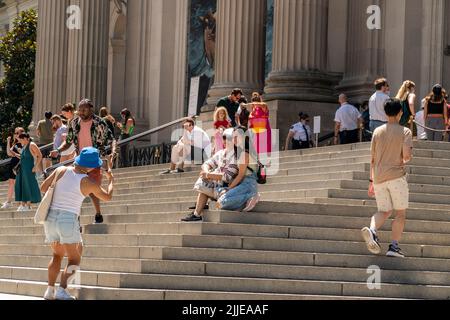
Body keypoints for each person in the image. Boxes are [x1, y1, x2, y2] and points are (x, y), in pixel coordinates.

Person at [41, 147, 114, 300]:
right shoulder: (87, 182)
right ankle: (62, 291)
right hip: (67, 219)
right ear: (92, 166)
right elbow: (107, 197)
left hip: (50, 218)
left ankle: (49, 291)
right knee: (74, 259)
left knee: (56, 255)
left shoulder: (61, 170)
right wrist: (111, 179)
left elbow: (43, 188)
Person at [50, 99, 117, 224]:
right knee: (75, 189)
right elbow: (68, 141)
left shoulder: (99, 123)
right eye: (79, 110)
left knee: (93, 189)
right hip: (80, 160)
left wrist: (112, 154)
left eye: (84, 109)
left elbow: (111, 139)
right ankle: (76, 219)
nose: (81, 112)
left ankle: (98, 214)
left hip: (94, 161)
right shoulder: (74, 122)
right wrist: (58, 150)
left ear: (91, 109)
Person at [362, 98, 413, 258]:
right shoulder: (405, 131)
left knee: (384, 210)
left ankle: (372, 230)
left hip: (378, 177)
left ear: (385, 112)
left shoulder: (377, 132)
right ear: (400, 112)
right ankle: (394, 246)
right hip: (396, 176)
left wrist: (371, 180)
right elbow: (407, 156)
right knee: (400, 214)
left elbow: (372, 158)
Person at [181, 128, 240, 222]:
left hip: (227, 189)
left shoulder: (236, 157)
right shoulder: (221, 153)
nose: (225, 141)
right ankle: (198, 210)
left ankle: (197, 211)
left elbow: (227, 177)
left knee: (204, 186)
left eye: (228, 138)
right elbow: (207, 163)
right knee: (204, 182)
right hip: (217, 185)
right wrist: (206, 172)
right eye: (224, 138)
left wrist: (208, 175)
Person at [216, 127, 260, 212]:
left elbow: (240, 175)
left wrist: (230, 188)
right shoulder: (241, 152)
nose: (234, 139)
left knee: (221, 202)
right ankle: (248, 197)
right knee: (220, 192)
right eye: (233, 137)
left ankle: (251, 196)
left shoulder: (245, 153)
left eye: (237, 136)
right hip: (243, 183)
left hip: (248, 184)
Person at [15, 133, 42, 212]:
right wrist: (16, 154)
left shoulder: (32, 144)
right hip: (22, 170)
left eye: (21, 140)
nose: (20, 142)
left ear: (26, 138)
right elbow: (24, 157)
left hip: (29, 169)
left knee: (28, 185)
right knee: (23, 186)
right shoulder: (24, 146)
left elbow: (39, 155)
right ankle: (23, 205)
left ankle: (28, 205)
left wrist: (35, 166)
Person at [1, 127, 25, 209]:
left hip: (20, 165)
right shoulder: (15, 144)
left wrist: (15, 153)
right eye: (15, 133)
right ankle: (8, 201)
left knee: (19, 184)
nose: (16, 135)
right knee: (11, 183)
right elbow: (9, 153)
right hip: (13, 165)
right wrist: (8, 141)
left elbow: (23, 156)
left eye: (18, 133)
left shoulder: (24, 144)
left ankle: (22, 203)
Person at [248, 92, 272, 158]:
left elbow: (261, 104)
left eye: (255, 103)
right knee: (257, 146)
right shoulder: (253, 110)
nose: (254, 104)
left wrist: (250, 104)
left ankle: (267, 161)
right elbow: (250, 118)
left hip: (264, 128)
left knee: (265, 145)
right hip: (256, 129)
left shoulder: (264, 106)